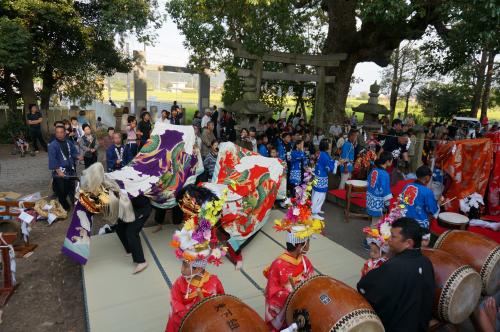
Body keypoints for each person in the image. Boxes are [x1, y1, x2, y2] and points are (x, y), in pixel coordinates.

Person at [264, 180, 324, 332]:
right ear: (299, 245)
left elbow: (310, 281)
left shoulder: (305, 261)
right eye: (307, 241)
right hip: (287, 307)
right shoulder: (278, 264)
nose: (309, 245)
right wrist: (292, 293)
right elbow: (272, 292)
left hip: (301, 304)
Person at [357, 217, 435, 332]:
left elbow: (363, 287)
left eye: (393, 237)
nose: (389, 240)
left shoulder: (394, 266)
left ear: (408, 243)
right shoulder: (426, 262)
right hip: (420, 325)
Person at [166, 187, 226, 332]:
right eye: (183, 264)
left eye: (187, 266)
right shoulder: (178, 285)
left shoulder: (214, 282)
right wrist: (194, 315)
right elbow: (176, 306)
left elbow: (222, 303)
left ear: (199, 267)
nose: (182, 270)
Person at [400, 166, 440, 246]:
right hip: (419, 223)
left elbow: (402, 203)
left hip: (404, 220)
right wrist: (439, 203)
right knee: (420, 244)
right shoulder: (427, 191)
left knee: (406, 242)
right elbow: (433, 210)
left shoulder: (407, 186)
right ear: (427, 177)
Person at [115, 195, 152, 274]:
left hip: (142, 209)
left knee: (131, 232)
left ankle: (141, 261)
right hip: (127, 208)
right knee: (119, 228)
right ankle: (130, 250)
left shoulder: (132, 186)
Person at [48, 126, 80, 211]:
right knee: (61, 191)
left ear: (65, 133)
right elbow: (52, 159)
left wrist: (78, 156)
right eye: (57, 132)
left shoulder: (69, 142)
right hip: (60, 172)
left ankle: (72, 203)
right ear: (55, 133)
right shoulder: (52, 145)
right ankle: (65, 207)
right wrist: (58, 171)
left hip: (70, 170)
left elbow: (73, 153)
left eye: (61, 132)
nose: (59, 134)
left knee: (71, 187)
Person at [311, 139, 337, 220]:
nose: (330, 145)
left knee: (315, 193)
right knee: (320, 194)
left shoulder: (321, 153)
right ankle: (314, 212)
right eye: (329, 144)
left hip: (317, 175)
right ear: (326, 146)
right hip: (321, 176)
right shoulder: (325, 155)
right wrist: (336, 163)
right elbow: (331, 167)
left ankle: (316, 209)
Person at [366, 151, 393, 227]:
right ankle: (370, 238)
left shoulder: (374, 170)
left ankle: (370, 237)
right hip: (378, 201)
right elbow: (386, 190)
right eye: (391, 161)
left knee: (373, 221)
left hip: (371, 198)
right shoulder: (385, 174)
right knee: (376, 224)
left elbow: (368, 182)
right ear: (387, 161)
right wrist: (387, 205)